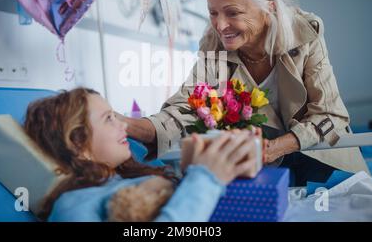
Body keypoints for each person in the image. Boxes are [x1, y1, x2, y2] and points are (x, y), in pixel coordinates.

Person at [120, 0, 369, 186]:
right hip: (263, 164)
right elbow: (187, 107)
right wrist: (128, 125)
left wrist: (275, 147)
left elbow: (330, 114)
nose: (220, 25)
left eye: (233, 13)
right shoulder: (214, 46)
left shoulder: (304, 35)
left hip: (319, 154)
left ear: (269, 7)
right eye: (213, 13)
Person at [24, 87, 259, 221]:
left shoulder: (128, 178)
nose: (123, 126)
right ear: (77, 142)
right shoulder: (73, 208)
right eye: (109, 119)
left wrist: (192, 173)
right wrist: (205, 178)